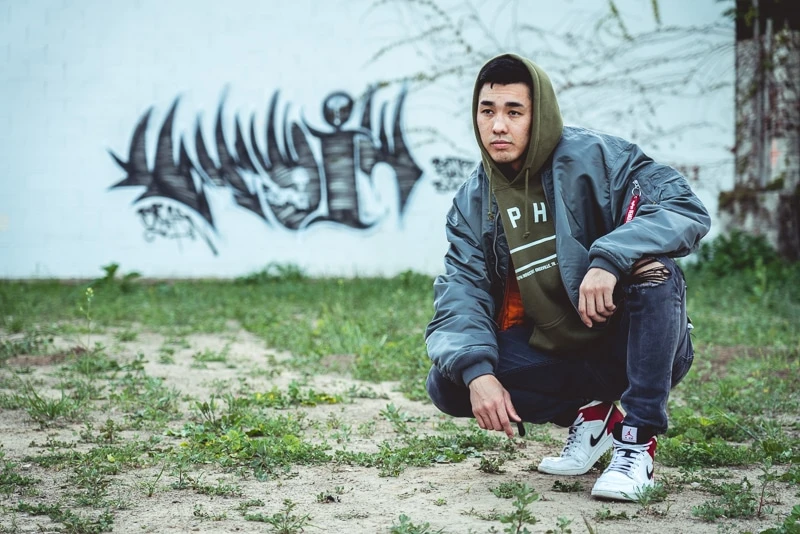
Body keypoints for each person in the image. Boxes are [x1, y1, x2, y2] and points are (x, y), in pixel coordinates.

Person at [424, 53, 711, 501]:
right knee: (449, 382)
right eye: (488, 110)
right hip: (563, 354)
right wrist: (477, 372)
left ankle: (636, 444)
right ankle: (595, 416)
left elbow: (682, 209)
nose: (498, 126)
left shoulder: (599, 159)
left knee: (656, 272)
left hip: (634, 341)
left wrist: (610, 257)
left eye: (514, 112)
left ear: (539, 116)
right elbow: (461, 290)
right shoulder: (473, 200)